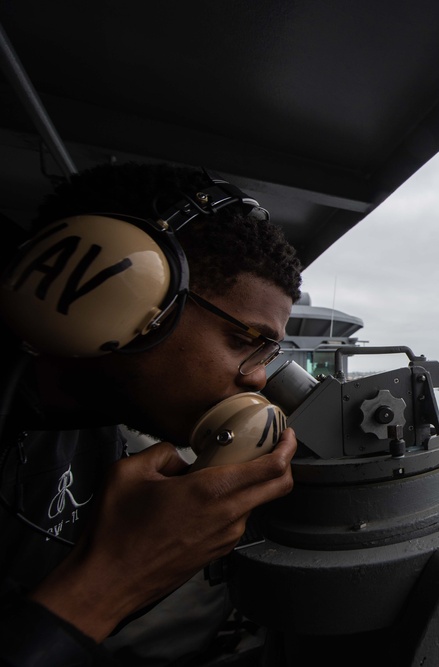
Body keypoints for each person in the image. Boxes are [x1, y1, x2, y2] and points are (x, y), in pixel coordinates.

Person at [0, 162, 302, 664]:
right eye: (244, 340)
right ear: (116, 293)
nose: (255, 379)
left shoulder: (97, 437)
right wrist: (116, 579)